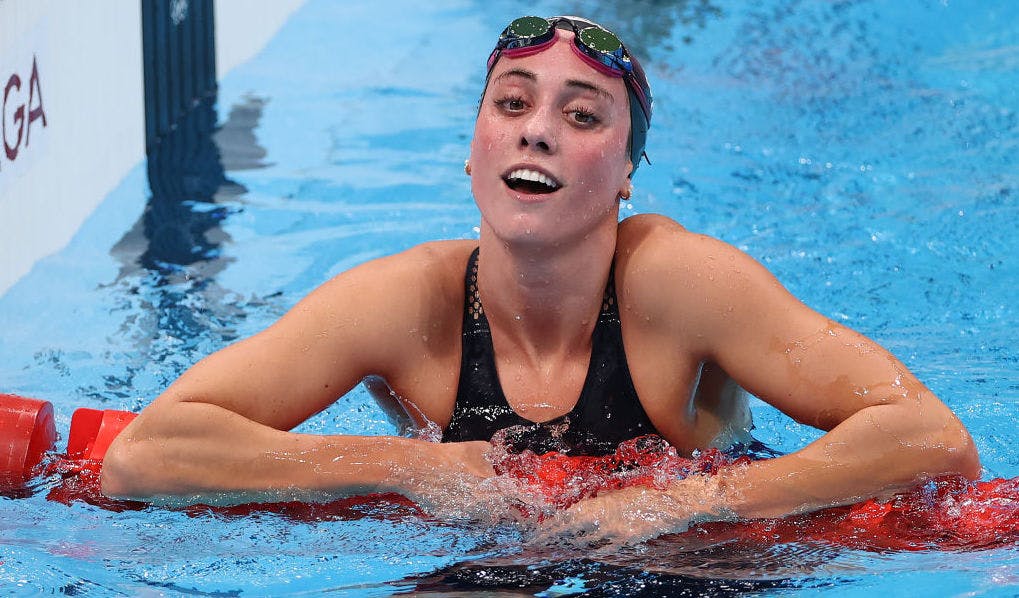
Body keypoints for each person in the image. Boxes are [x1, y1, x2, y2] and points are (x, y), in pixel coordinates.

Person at [102, 16, 980, 539]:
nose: (536, 130)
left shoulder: (680, 284)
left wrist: (687, 502)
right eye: (512, 103)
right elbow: (147, 454)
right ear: (472, 149)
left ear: (627, 174)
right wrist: (406, 468)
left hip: (702, 563)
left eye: (581, 115)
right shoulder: (403, 304)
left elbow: (930, 438)